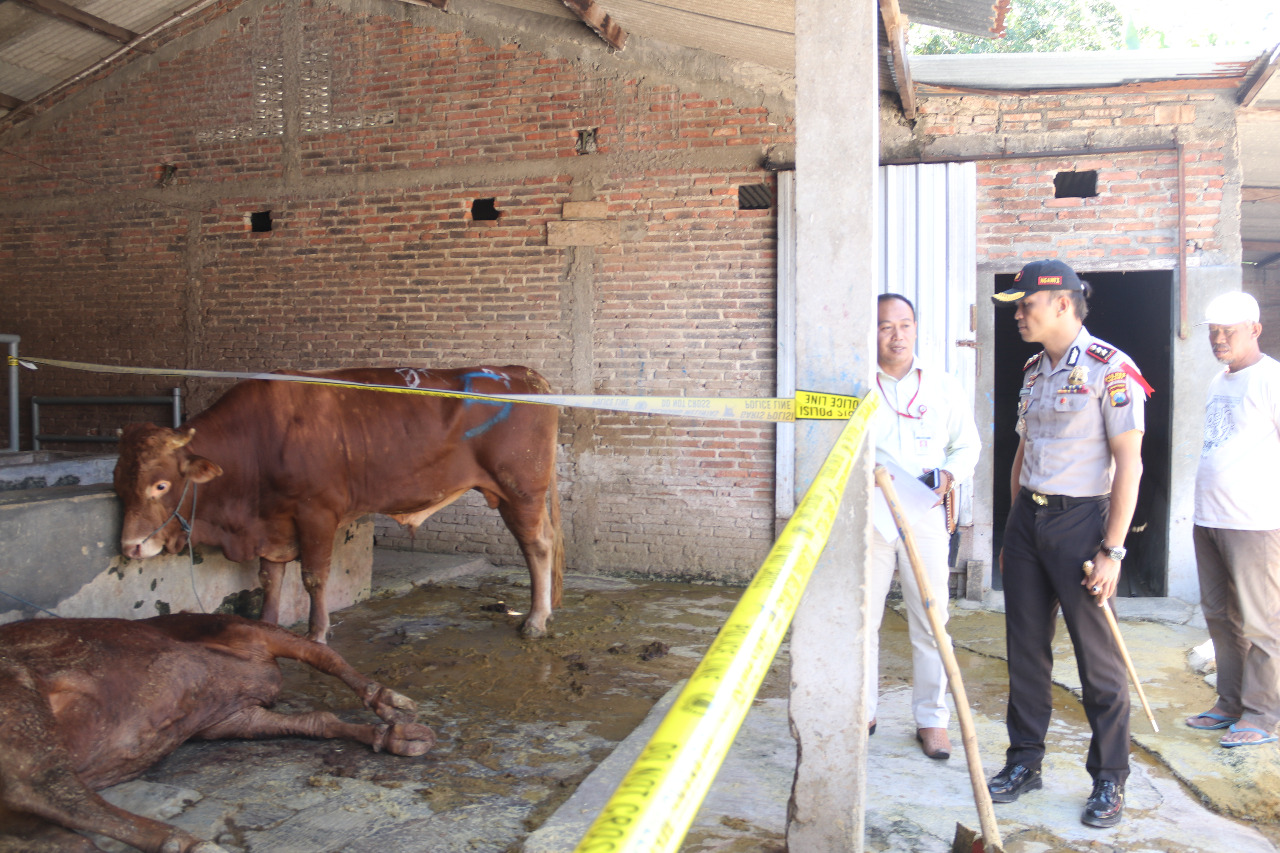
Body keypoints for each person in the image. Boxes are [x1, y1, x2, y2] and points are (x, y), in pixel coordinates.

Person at [987, 259, 1150, 828]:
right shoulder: (1034, 370)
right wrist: (1012, 527)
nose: (1018, 314)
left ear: (1061, 303)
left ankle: (1109, 779)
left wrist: (1113, 551)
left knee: (1097, 661)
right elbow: (1023, 450)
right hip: (1028, 523)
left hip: (1082, 524)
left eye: (1025, 304)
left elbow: (1129, 465)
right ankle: (1024, 761)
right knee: (1026, 650)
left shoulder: (1112, 369)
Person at [869, 293, 980, 760]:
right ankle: (861, 710)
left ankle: (932, 719)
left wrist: (948, 476)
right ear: (871, 331)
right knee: (862, 618)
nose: (897, 336)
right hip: (871, 514)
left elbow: (967, 445)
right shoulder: (856, 384)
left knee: (932, 619)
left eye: (906, 325)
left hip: (926, 512)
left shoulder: (942, 386)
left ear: (916, 328)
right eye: (885, 326)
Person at [1186, 291, 1280, 748]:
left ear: (1254, 330)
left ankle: (1262, 714)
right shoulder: (1217, 381)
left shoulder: (1271, 379)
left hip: (1254, 522)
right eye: (1213, 331)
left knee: (1263, 623)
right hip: (1211, 517)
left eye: (1229, 331)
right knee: (1222, 617)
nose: (1219, 339)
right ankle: (1229, 703)